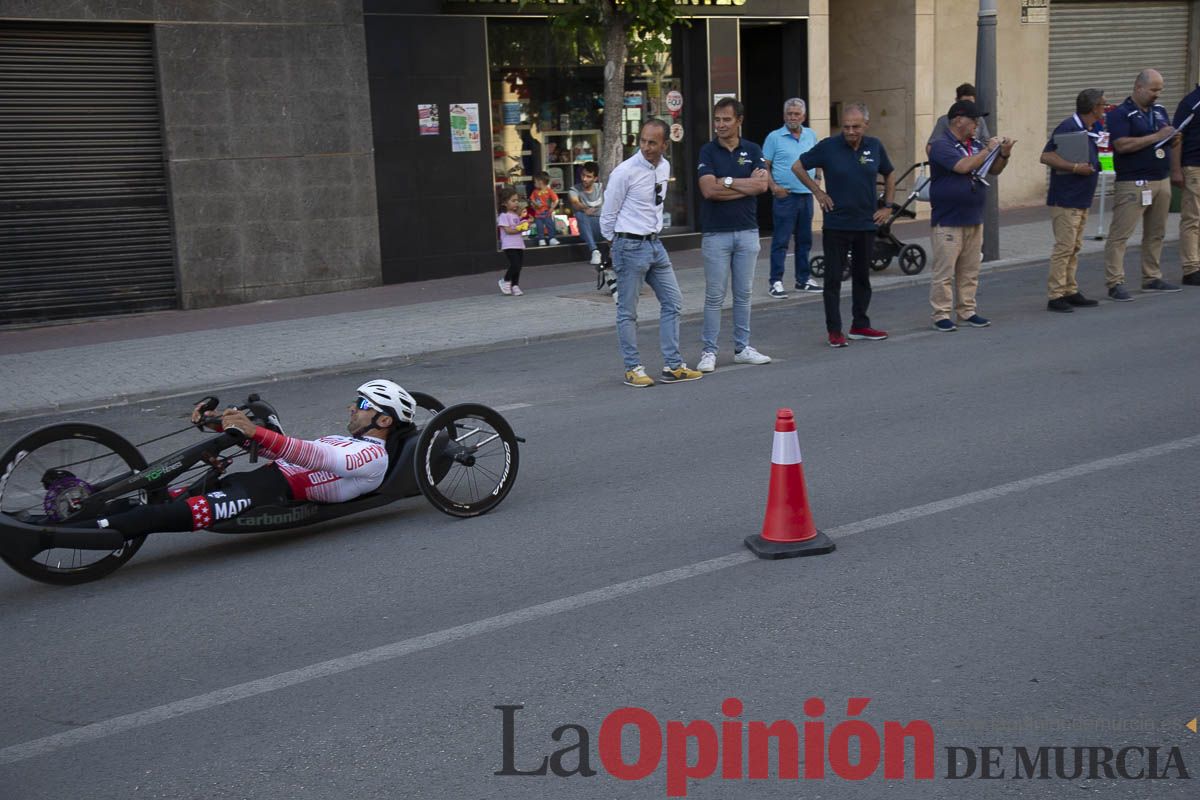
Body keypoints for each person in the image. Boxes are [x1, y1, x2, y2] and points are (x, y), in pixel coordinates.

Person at [74, 380, 415, 536]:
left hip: (269, 494)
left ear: (384, 420)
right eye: (357, 401)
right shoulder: (345, 439)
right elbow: (283, 451)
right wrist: (226, 426)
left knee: (159, 517)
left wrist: (256, 433)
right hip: (255, 483)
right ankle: (72, 516)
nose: (353, 407)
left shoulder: (373, 457)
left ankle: (76, 533)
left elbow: (316, 456)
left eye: (364, 405)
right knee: (155, 502)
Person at [600, 118, 702, 388]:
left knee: (673, 301)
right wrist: (617, 243)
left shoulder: (665, 166)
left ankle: (673, 365)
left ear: (664, 145)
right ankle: (633, 368)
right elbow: (607, 215)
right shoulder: (625, 172)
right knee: (628, 311)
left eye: (652, 142)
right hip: (629, 245)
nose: (646, 147)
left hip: (655, 244)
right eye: (643, 141)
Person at [792, 102, 895, 348]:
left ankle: (860, 325)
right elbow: (797, 166)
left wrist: (887, 206)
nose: (850, 131)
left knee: (862, 278)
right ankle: (834, 330)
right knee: (833, 279)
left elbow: (889, 173)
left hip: (866, 224)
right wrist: (818, 192)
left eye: (856, 127)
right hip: (837, 223)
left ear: (865, 125)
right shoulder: (829, 146)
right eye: (846, 127)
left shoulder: (875, 146)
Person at [695, 97, 772, 373]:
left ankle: (742, 348)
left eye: (726, 119)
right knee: (714, 296)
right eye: (717, 119)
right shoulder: (707, 151)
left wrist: (726, 181)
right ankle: (709, 351)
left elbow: (762, 186)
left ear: (739, 121)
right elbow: (708, 191)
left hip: (748, 232)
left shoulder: (752, 149)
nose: (720, 125)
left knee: (744, 294)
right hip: (716, 234)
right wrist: (744, 184)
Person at [926, 99, 1015, 331]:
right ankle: (941, 314)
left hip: (973, 216)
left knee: (970, 270)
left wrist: (1003, 155)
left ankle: (967, 310)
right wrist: (988, 149)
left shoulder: (974, 144)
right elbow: (963, 167)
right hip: (948, 219)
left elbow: (993, 170)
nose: (977, 124)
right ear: (958, 120)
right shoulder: (940, 144)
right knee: (944, 272)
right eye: (973, 120)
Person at [1103, 69, 1181, 300]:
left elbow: (1165, 136)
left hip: (1160, 179)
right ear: (1139, 88)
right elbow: (1122, 145)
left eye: (1160, 90)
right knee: (1121, 235)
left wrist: (1172, 138)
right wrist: (1157, 137)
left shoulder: (1159, 111)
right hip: (1133, 182)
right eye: (1153, 89)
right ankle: (1114, 282)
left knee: (1156, 233)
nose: (1157, 94)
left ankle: (1152, 277)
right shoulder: (1121, 114)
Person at [1040, 88, 1105, 313]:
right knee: (1064, 247)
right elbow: (1046, 156)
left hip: (1081, 197)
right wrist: (1075, 167)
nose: (1105, 109)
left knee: (1075, 246)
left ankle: (1070, 289)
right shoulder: (1068, 126)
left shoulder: (1092, 127)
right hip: (1066, 198)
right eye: (1102, 106)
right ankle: (1055, 295)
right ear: (1094, 108)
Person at [762, 97, 822, 298]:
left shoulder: (811, 135)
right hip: (785, 197)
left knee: (805, 241)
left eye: (796, 114)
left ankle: (802, 280)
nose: (793, 117)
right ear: (784, 115)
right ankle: (776, 282)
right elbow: (764, 166)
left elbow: (819, 158)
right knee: (781, 241)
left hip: (806, 196)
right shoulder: (774, 137)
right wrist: (773, 187)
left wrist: (819, 178)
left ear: (803, 116)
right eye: (789, 114)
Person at [1171, 80, 1200, 286]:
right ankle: (1191, 269)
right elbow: (1176, 136)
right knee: (1193, 218)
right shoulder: (1191, 103)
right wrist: (1176, 170)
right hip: (1194, 167)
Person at [926, 83, 991, 156]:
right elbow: (930, 146)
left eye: (971, 103)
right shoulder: (944, 121)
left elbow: (986, 142)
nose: (968, 107)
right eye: (964, 103)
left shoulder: (980, 119)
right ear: (957, 101)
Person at [569, 161, 605, 266]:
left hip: (603, 225)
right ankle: (594, 251)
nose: (584, 179)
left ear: (595, 178)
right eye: (583, 175)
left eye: (589, 176)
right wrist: (584, 208)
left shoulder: (602, 188)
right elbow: (575, 202)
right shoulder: (574, 189)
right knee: (579, 214)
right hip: (587, 227)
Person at [496, 187, 529, 296]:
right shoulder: (503, 216)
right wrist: (520, 228)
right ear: (505, 203)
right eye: (513, 201)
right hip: (509, 245)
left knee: (519, 266)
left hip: (518, 244)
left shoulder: (515, 215)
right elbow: (508, 230)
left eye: (517, 200)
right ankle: (505, 280)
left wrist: (524, 226)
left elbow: (517, 227)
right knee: (514, 264)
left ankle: (515, 285)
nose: (516, 203)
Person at [528, 172, 560, 246]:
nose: (534, 183)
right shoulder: (535, 191)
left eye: (535, 181)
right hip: (538, 213)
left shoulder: (549, 190)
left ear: (540, 182)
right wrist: (534, 204)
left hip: (547, 212)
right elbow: (531, 199)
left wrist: (552, 208)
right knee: (539, 226)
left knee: (550, 225)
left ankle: (552, 238)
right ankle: (541, 239)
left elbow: (556, 199)